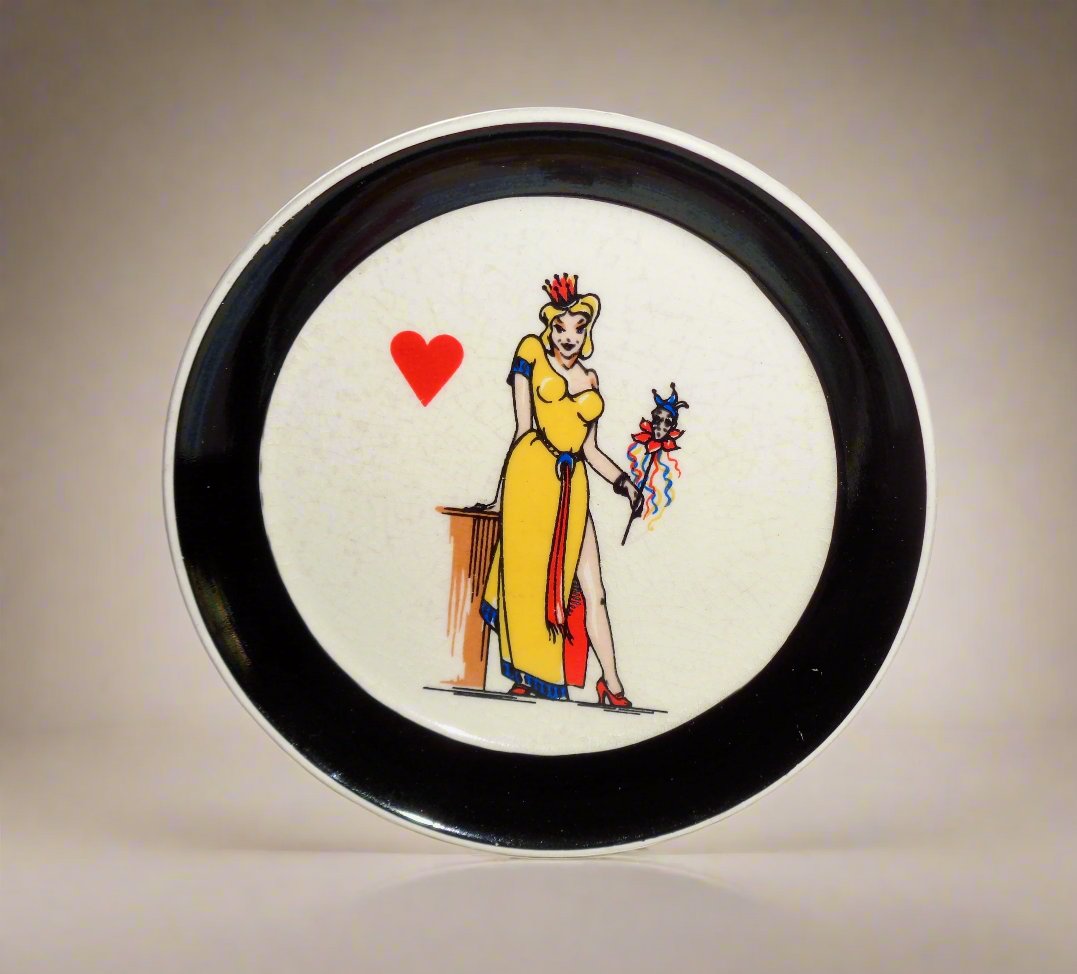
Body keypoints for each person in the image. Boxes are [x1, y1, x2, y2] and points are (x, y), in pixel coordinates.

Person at [477, 273, 640, 707]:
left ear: (587, 333)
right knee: (526, 583)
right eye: (561, 327)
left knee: (594, 589)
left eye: (579, 328)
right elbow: (521, 429)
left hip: (572, 485)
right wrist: (500, 497)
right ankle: (526, 674)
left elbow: (590, 450)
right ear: (550, 328)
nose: (569, 337)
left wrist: (623, 482)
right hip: (531, 476)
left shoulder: (591, 378)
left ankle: (612, 684)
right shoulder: (531, 351)